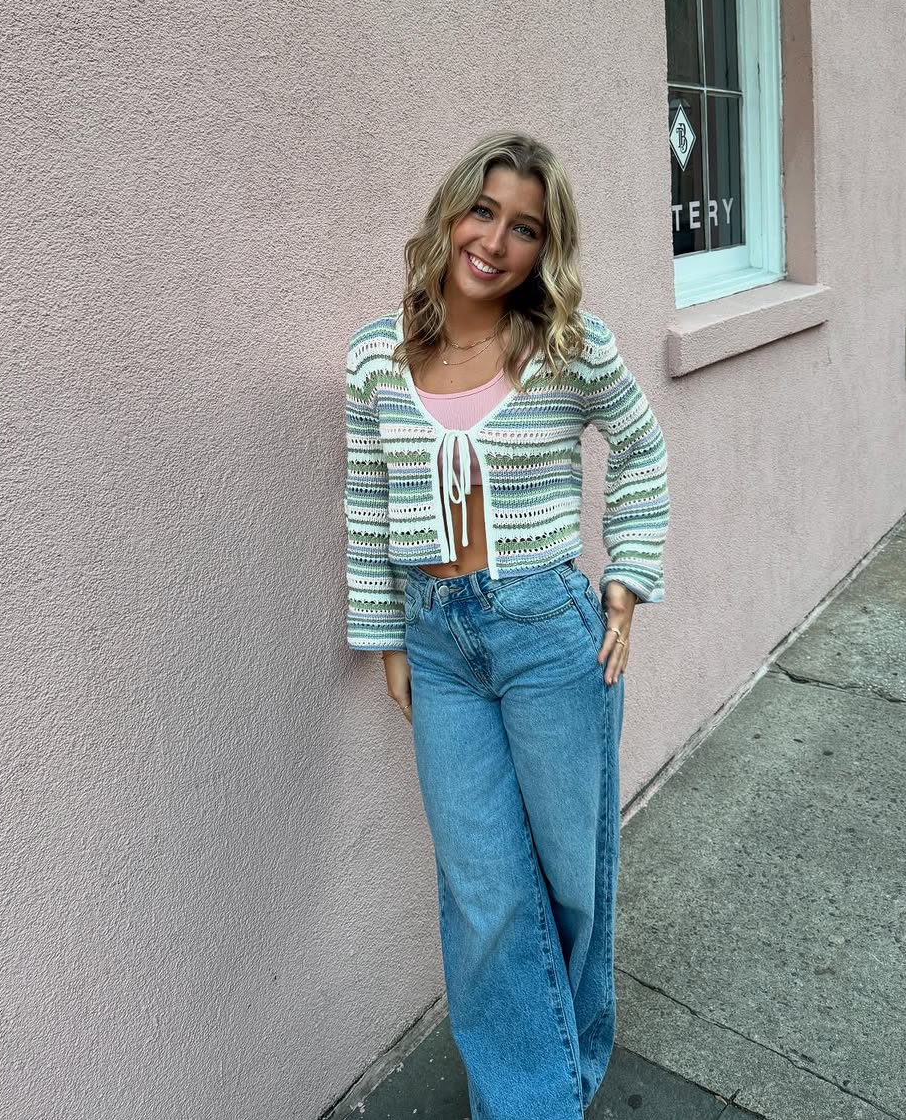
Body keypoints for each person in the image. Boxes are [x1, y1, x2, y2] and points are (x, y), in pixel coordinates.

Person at [344, 131, 670, 1120]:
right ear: (450, 214)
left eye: (524, 228)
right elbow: (368, 501)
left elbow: (643, 449)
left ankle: (554, 1075)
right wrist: (387, 637)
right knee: (485, 891)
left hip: (549, 633)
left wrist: (628, 579)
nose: (495, 241)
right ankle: (532, 1101)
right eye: (482, 212)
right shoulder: (375, 356)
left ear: (544, 247)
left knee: (571, 874)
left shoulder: (569, 345)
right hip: (438, 645)